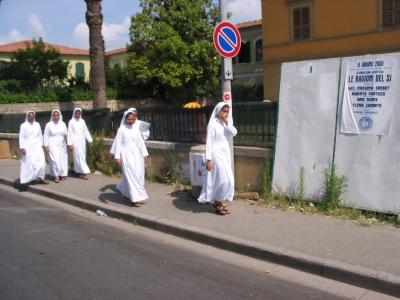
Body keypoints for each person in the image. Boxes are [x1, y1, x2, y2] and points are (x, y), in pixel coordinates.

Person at [198, 102, 237, 215]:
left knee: (229, 179)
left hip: (225, 154)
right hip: (216, 154)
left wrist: (226, 122)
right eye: (224, 111)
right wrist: (208, 160)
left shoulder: (226, 123)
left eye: (227, 112)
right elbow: (209, 142)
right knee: (224, 179)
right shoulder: (212, 124)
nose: (226, 114)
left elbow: (234, 132)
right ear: (218, 111)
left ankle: (218, 201)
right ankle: (218, 203)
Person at [113, 111, 149, 207]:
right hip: (126, 155)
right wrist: (117, 157)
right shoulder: (121, 129)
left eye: (133, 119)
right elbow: (118, 144)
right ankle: (135, 199)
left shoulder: (136, 129)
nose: (131, 121)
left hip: (136, 154)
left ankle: (127, 193)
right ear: (125, 119)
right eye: (129, 119)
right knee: (130, 175)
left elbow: (140, 142)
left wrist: (144, 154)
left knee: (137, 174)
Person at [19, 110, 49, 185]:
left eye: (33, 116)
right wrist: (22, 148)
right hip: (28, 146)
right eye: (30, 116)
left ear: (34, 116)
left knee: (41, 162)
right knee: (30, 163)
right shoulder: (23, 125)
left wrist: (41, 145)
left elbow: (39, 135)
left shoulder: (37, 124)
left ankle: (41, 177)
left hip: (37, 145)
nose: (31, 117)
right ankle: (31, 178)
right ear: (27, 116)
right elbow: (21, 137)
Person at [67, 108, 93, 180]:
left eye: (79, 114)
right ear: (74, 114)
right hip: (75, 141)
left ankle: (76, 170)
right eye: (76, 114)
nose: (78, 115)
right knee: (78, 155)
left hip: (82, 141)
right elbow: (69, 133)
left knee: (81, 156)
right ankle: (84, 173)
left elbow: (85, 131)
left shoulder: (82, 121)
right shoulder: (71, 122)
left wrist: (90, 140)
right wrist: (70, 144)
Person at [43, 110, 68, 183]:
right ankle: (56, 175)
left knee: (61, 160)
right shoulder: (49, 124)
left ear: (59, 116)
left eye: (57, 115)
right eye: (54, 115)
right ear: (52, 116)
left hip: (61, 144)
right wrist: (46, 145)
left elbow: (66, 132)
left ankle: (61, 174)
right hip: (52, 143)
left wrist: (66, 135)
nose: (56, 117)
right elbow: (46, 135)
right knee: (55, 160)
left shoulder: (63, 124)